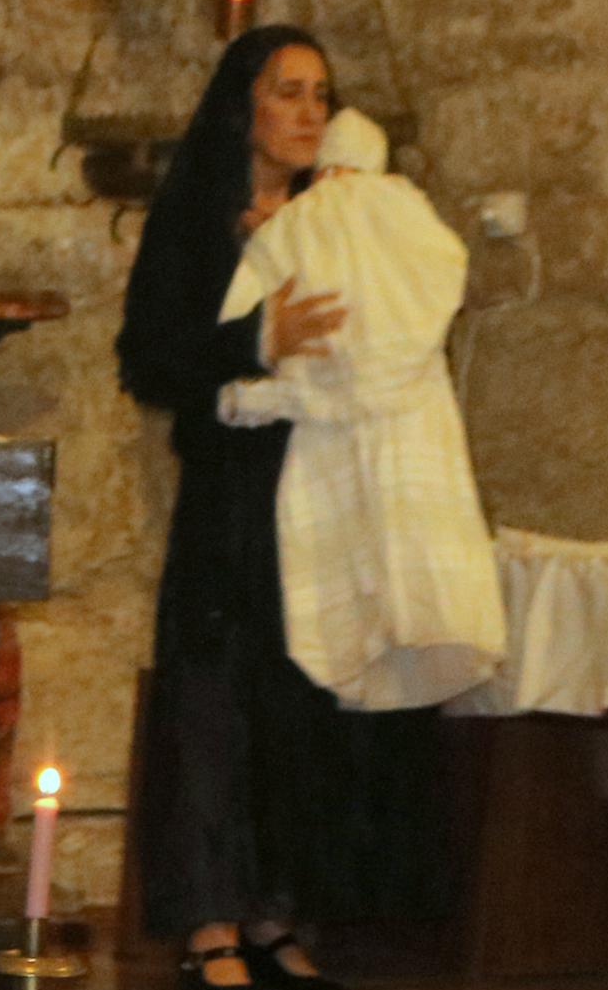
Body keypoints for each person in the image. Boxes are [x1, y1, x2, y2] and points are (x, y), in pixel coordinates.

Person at [118, 27, 448, 990]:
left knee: (298, 699)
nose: (308, 112)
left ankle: (275, 915)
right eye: (287, 93)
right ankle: (208, 921)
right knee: (214, 696)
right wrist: (254, 338)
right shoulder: (192, 219)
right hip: (232, 486)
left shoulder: (340, 214)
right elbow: (148, 359)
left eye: (319, 94)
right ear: (241, 107)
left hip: (325, 481)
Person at [213, 107, 507, 714]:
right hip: (414, 436)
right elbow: (442, 290)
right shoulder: (416, 222)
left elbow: (238, 343)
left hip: (325, 445)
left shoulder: (294, 225)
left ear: (322, 170)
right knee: (423, 595)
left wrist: (247, 400)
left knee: (343, 616)